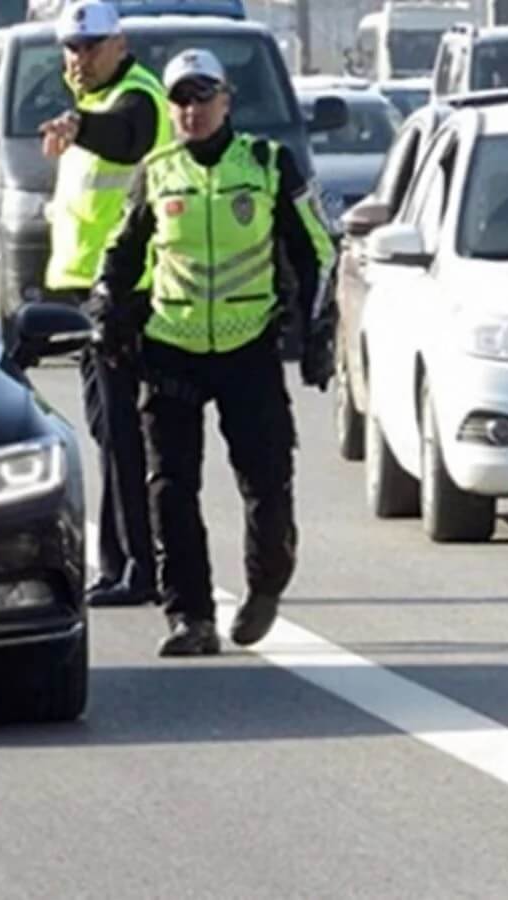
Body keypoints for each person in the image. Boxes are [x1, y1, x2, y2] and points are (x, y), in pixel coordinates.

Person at [91, 48, 336, 656]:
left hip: (248, 347)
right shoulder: (156, 171)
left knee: (267, 480)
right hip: (171, 348)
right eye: (180, 99)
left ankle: (266, 583)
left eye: (203, 96)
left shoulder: (267, 163)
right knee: (170, 487)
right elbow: (119, 255)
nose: (191, 110)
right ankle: (190, 616)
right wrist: (107, 311)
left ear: (226, 100)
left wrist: (316, 333)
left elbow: (318, 251)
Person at [39, 1, 173, 609]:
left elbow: (126, 139)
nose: (79, 58)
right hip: (91, 295)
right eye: (71, 48)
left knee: (124, 433)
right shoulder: (93, 103)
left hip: (130, 294)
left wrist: (80, 127)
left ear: (119, 44)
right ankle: (121, 561)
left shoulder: (136, 97)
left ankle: (139, 567)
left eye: (91, 46)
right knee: (108, 431)